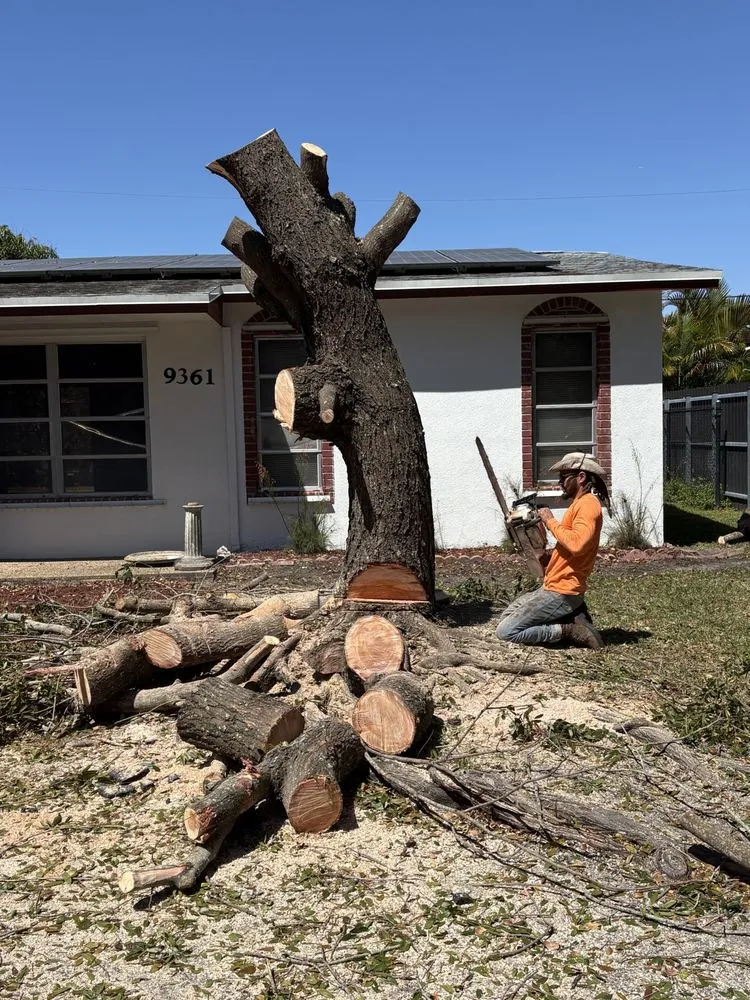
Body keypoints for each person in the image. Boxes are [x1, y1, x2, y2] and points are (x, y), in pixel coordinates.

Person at [496, 452, 612, 649]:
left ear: (581, 477)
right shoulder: (579, 504)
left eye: (564, 478)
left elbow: (577, 544)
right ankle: (572, 615)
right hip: (553, 586)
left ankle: (570, 631)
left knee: (506, 631)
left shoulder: (588, 505)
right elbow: (571, 547)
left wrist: (549, 520)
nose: (560, 483)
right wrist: (548, 557)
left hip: (563, 592)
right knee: (506, 616)